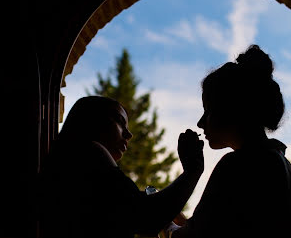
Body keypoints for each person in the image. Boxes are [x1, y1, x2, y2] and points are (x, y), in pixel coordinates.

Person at [167, 45, 291, 238]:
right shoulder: (281, 166)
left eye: (208, 111)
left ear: (233, 111)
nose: (200, 122)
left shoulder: (238, 165)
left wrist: (168, 228)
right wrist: (181, 221)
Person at [37, 95, 204, 238]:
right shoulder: (88, 151)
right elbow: (146, 216)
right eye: (119, 121)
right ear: (90, 120)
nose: (129, 135)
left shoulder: (66, 164)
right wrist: (192, 171)